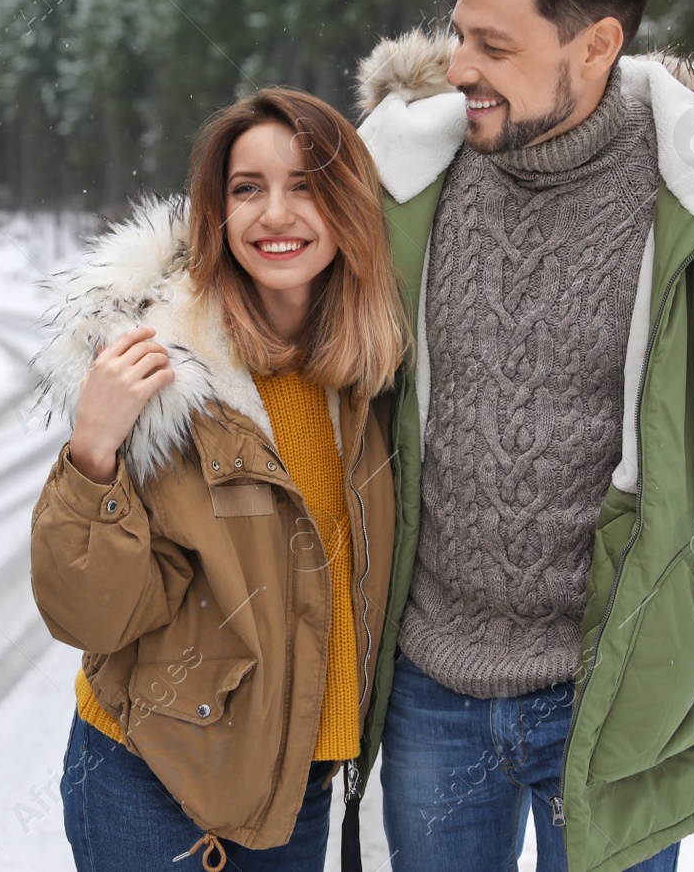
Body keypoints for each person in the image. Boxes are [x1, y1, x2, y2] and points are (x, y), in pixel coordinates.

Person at [341, 0, 694, 872]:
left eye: (493, 46)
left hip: (614, 689)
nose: (457, 68)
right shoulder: (402, 178)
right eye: (458, 35)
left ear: (595, 45)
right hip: (427, 688)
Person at [29, 87, 409, 871]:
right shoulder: (165, 374)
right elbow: (91, 614)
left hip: (298, 785)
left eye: (305, 184)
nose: (276, 213)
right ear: (218, 210)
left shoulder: (371, 373)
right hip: (161, 786)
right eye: (248, 188)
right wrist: (94, 447)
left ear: (347, 204)